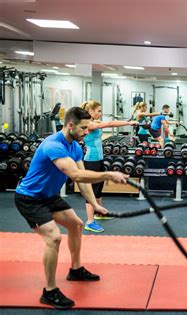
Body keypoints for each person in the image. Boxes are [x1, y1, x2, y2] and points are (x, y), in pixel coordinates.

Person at [14, 107, 128, 309]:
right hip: (30, 198)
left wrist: (94, 204)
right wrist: (108, 175)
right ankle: (49, 291)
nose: (87, 131)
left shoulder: (75, 146)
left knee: (76, 225)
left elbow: (83, 181)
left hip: (49, 196)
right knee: (54, 237)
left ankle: (75, 270)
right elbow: (75, 175)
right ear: (70, 125)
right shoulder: (53, 145)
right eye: (84, 128)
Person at [80, 100, 137, 233]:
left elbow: (111, 122)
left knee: (99, 188)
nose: (100, 113)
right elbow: (110, 124)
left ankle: (100, 213)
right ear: (91, 112)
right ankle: (89, 221)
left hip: (98, 159)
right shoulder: (89, 124)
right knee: (92, 191)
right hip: (91, 160)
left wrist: (125, 121)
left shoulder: (95, 122)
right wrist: (128, 123)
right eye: (98, 111)